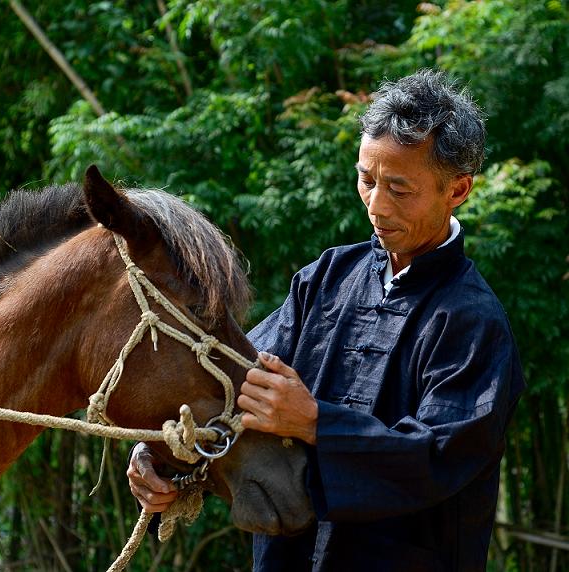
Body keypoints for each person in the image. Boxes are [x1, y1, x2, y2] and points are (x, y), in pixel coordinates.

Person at [127, 69, 525, 571]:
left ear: (458, 190)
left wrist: (316, 423)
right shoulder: (327, 278)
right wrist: (161, 454)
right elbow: (229, 382)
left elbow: (438, 457)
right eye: (366, 179)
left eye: (399, 189)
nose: (376, 206)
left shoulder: (474, 322)